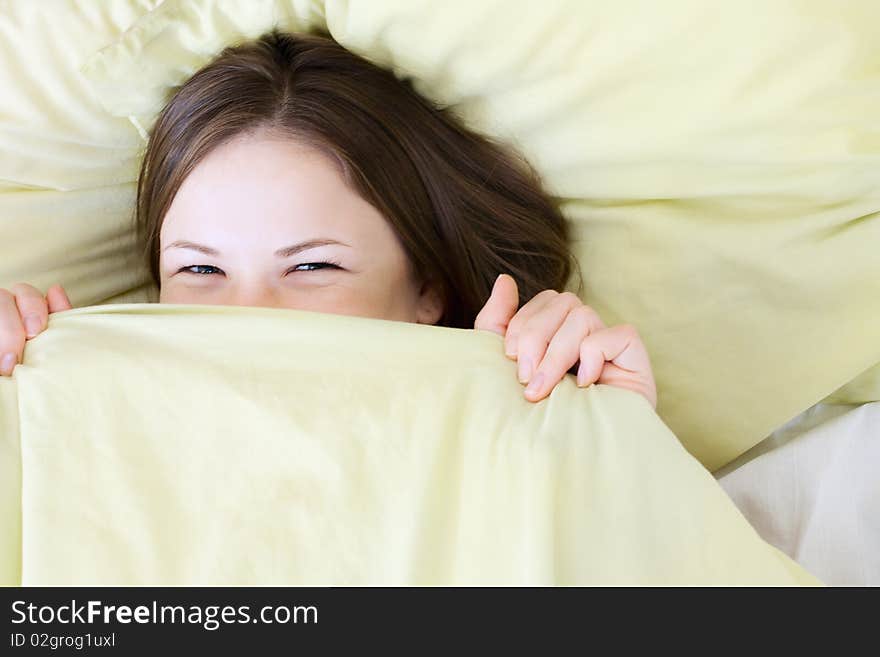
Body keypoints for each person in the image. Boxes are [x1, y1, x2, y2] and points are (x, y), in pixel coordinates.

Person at [0, 30, 656, 408]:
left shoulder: (523, 434)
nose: (247, 316)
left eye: (312, 265)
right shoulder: (87, 420)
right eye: (200, 267)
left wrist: (614, 439)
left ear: (427, 290)